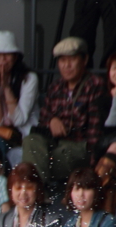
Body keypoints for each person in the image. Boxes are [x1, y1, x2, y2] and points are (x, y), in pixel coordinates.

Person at [21, 37, 109, 187]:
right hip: (55, 145)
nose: (66, 65)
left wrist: (93, 169)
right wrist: (51, 121)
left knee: (56, 156)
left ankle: (37, 191)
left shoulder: (95, 85)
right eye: (62, 61)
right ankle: (39, 191)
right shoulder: (55, 87)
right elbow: (43, 121)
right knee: (30, 141)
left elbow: (96, 133)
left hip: (80, 148)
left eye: (72, 59)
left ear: (84, 60)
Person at [0, 30, 39, 154]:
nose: (3, 60)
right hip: (4, 135)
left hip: (26, 136)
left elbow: (19, 120)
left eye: (8, 54)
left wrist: (6, 87)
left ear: (16, 57)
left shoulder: (29, 78)